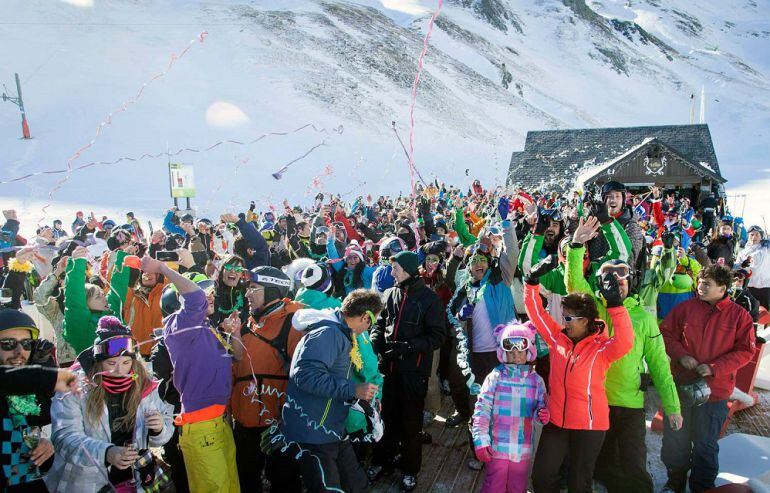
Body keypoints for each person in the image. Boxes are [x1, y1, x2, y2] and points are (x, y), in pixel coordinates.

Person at [564, 218, 681, 493]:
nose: (617, 286)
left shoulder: (642, 317)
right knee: (601, 464)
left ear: (631, 283)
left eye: (622, 280)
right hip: (597, 401)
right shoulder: (595, 310)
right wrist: (575, 246)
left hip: (630, 404)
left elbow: (660, 364)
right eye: (609, 280)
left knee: (634, 466)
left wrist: (673, 406)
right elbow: (574, 285)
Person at [524, 270, 634, 493]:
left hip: (589, 425)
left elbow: (625, 342)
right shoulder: (558, 338)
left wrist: (615, 304)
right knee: (542, 477)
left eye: (568, 318)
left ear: (584, 321)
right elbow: (536, 314)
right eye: (563, 316)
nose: (563, 321)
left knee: (579, 482)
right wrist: (531, 283)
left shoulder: (601, 348)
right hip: (556, 421)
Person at [142, 255, 242, 493]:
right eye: (203, 289)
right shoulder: (177, 326)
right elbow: (195, 299)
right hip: (201, 426)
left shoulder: (205, 329)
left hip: (219, 421)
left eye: (210, 290)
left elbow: (236, 355)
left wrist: (235, 332)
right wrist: (163, 268)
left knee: (230, 486)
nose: (209, 295)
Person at [46, 316, 174, 492]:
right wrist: (106, 453)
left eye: (126, 363)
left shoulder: (145, 385)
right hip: (87, 483)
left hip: (135, 480)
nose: (119, 371)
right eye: (111, 363)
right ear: (98, 362)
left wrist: (159, 428)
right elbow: (64, 438)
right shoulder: (73, 388)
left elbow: (164, 430)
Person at [660, 264, 756, 493]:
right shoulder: (685, 308)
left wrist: (715, 368)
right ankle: (674, 483)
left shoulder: (739, 316)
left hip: (715, 393)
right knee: (676, 441)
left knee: (705, 445)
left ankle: (703, 488)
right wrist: (681, 355)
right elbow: (665, 333)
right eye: (700, 282)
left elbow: (746, 351)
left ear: (723, 288)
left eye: (707, 284)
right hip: (681, 387)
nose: (700, 287)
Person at [279, 289, 384, 493]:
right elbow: (305, 375)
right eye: (373, 321)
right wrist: (353, 389)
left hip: (331, 427)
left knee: (355, 484)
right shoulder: (329, 333)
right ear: (364, 317)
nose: (371, 327)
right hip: (313, 432)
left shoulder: (339, 332)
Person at [369, 251, 446, 491]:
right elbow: (379, 324)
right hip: (388, 368)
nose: (391, 273)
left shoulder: (429, 299)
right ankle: (384, 460)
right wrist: (376, 343)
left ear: (409, 270)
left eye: (396, 269)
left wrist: (409, 347)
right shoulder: (391, 293)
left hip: (413, 370)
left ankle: (410, 469)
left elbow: (437, 336)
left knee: (410, 422)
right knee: (386, 417)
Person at [230, 266, 303, 492]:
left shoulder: (294, 322)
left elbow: (302, 375)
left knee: (284, 479)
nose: (247, 294)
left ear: (272, 291)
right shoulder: (247, 323)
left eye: (253, 288)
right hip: (245, 419)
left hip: (277, 421)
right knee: (246, 475)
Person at [471, 321, 549, 493]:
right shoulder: (495, 377)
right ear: (503, 352)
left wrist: (541, 414)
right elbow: (482, 409)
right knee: (494, 486)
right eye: (510, 351)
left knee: (517, 487)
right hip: (497, 447)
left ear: (528, 351)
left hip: (522, 449)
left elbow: (540, 409)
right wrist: (481, 440)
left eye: (520, 350)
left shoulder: (536, 381)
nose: (516, 356)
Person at [0, 309, 65, 493]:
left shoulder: (30, 395)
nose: (19, 351)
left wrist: (46, 447)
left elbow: (41, 461)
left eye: (27, 343)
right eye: (8, 343)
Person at [62, 246, 132, 354]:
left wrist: (123, 258)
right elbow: (74, 297)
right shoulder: (80, 325)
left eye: (103, 294)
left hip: (124, 368)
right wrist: (78, 263)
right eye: (98, 297)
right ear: (85, 303)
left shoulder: (111, 314)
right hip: (96, 370)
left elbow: (118, 288)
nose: (104, 298)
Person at [735, 225, 769, 309]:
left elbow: (757, 256)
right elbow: (737, 268)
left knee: (764, 315)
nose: (754, 237)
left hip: (765, 287)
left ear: (761, 237)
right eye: (751, 234)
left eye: (757, 234)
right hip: (748, 287)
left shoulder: (766, 249)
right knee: (748, 311)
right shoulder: (743, 252)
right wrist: (742, 265)